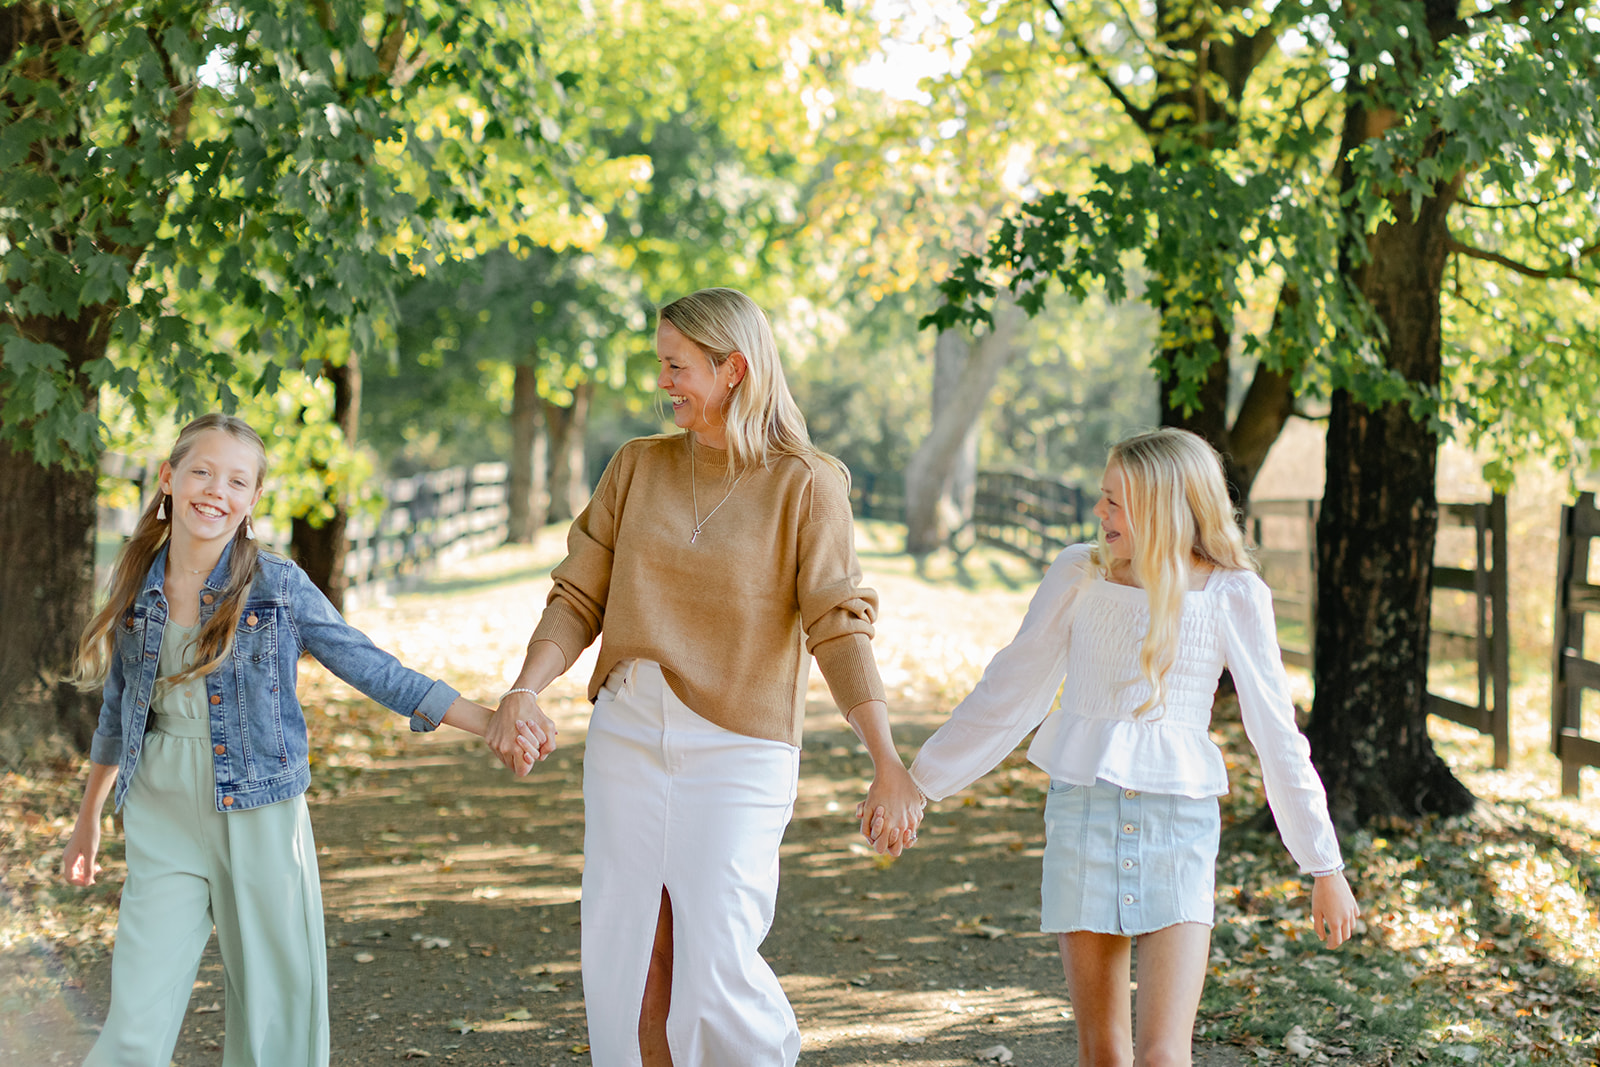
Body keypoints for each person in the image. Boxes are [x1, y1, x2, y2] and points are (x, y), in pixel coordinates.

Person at [484, 287, 924, 1067]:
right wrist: (526, 685)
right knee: (631, 954)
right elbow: (578, 593)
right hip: (628, 733)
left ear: (734, 369)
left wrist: (886, 759)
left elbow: (838, 623)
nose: (665, 381)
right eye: (662, 363)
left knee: (715, 956)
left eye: (678, 365)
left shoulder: (806, 483)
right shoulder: (637, 466)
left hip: (739, 748)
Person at [61, 413, 540, 1067]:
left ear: (253, 499)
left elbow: (368, 664)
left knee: (275, 1016)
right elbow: (120, 707)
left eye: (236, 480)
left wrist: (489, 721)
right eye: (201, 471)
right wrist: (89, 815)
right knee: (136, 1015)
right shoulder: (138, 581)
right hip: (160, 803)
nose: (215, 490)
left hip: (259, 804)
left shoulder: (277, 584)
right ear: (169, 478)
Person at [908, 427, 1358, 1067]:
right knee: (1104, 1056)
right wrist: (920, 783)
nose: (1100, 513)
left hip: (1179, 828)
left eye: (1116, 501)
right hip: (1082, 816)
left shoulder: (1232, 595)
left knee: (1162, 1057)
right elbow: (1010, 690)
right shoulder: (1078, 574)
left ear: (1164, 506)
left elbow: (1277, 736)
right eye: (1103, 497)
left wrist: (1324, 866)